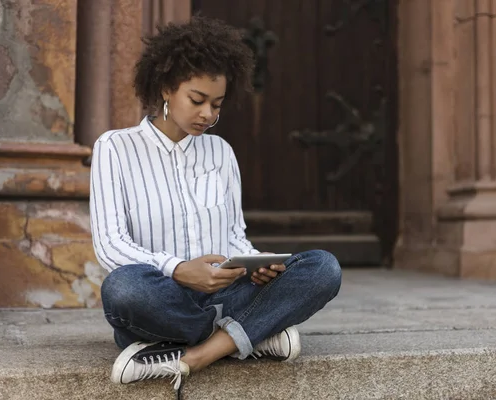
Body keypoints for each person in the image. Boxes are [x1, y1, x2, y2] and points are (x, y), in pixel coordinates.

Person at [89, 16, 342, 394]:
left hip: (227, 293)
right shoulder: (114, 147)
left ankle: (196, 354)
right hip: (163, 298)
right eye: (197, 100)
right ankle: (253, 332)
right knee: (123, 288)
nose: (208, 114)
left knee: (324, 267)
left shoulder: (220, 151)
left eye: (217, 104)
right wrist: (178, 270)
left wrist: (255, 265)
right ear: (165, 88)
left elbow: (234, 236)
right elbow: (110, 244)